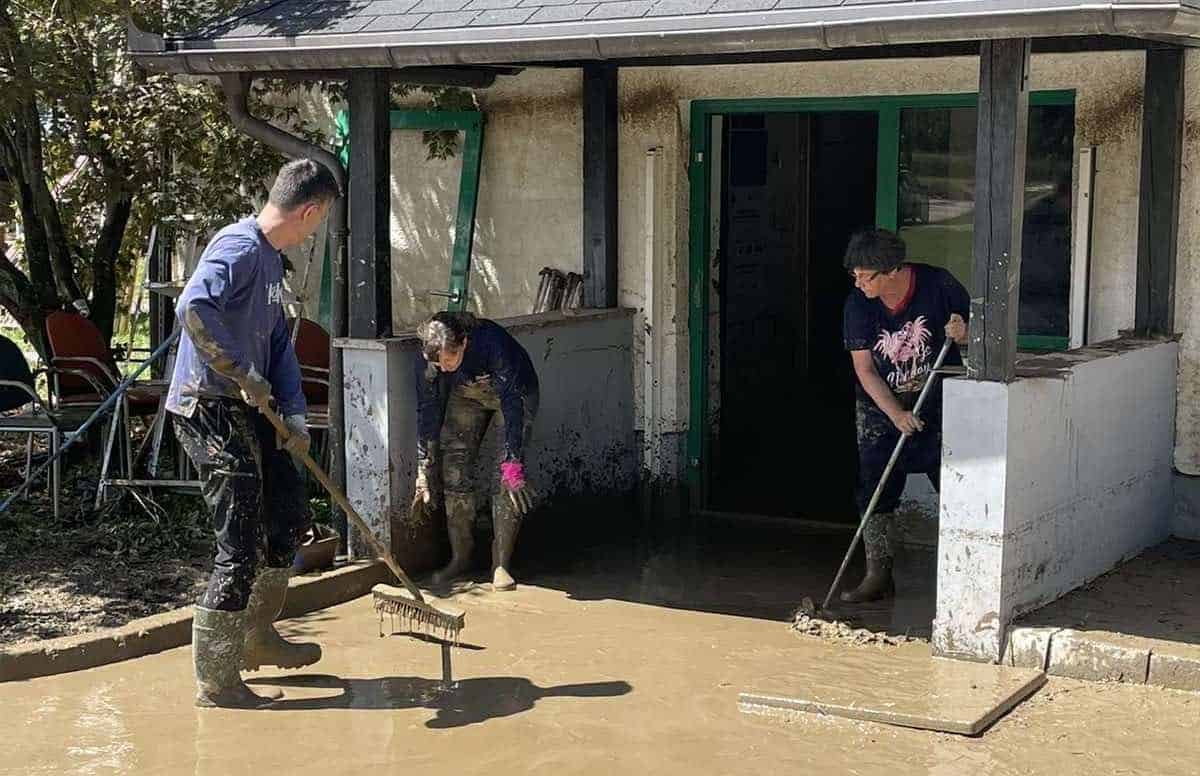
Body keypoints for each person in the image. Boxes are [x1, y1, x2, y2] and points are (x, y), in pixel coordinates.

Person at [166, 159, 339, 708]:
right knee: (239, 542)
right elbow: (193, 306)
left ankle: (256, 638)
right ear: (309, 210)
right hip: (208, 406)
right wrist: (242, 372)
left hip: (252, 411)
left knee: (287, 517)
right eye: (321, 220)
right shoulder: (238, 248)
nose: (317, 230)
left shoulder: (271, 263)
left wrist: (293, 416)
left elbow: (280, 347)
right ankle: (216, 682)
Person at [841, 228, 969, 603]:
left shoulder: (938, 286)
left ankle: (963, 576)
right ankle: (878, 575)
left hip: (937, 400)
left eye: (867, 276)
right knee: (875, 486)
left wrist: (963, 333)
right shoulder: (858, 305)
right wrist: (895, 413)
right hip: (881, 405)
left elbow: (985, 331)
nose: (860, 283)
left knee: (954, 485)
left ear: (894, 270)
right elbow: (864, 369)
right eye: (855, 275)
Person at [413, 311, 540, 591]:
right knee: (454, 465)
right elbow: (428, 410)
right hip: (468, 395)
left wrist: (513, 461)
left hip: (514, 393)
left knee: (506, 477)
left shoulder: (492, 342)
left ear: (464, 343)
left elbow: (512, 402)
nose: (444, 368)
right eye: (438, 363)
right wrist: (423, 467)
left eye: (449, 360)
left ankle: (501, 562)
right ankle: (461, 557)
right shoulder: (431, 360)